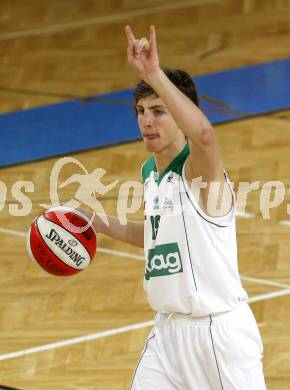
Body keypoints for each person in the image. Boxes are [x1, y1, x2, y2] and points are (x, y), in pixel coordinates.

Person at [84, 25, 266, 389]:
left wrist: (152, 73)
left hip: (219, 336)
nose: (146, 121)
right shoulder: (151, 172)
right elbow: (156, 237)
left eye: (159, 111)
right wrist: (99, 222)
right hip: (168, 334)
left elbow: (205, 136)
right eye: (140, 111)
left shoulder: (201, 172)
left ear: (183, 115)